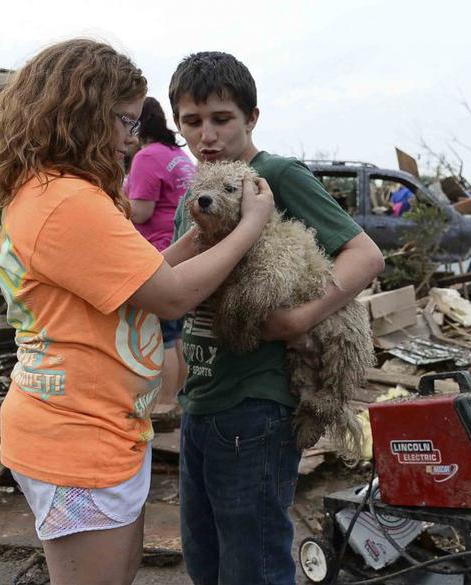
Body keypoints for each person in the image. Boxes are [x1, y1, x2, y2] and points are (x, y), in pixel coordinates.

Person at [0, 39, 274, 585]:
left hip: (94, 425)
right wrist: (250, 225)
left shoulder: (53, 192)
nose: (132, 140)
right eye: (126, 122)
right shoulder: (68, 203)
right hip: (77, 436)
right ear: (84, 114)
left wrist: (200, 240)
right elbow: (172, 297)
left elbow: (142, 275)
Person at [168, 51, 385, 585]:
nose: (207, 135)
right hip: (203, 399)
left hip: (256, 406)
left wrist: (299, 319)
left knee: (253, 563)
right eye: (192, 122)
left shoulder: (274, 177)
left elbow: (364, 255)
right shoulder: (196, 196)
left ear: (252, 118)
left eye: (222, 119)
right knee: (205, 560)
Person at [125, 96, 196, 406]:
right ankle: (178, 397)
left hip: (159, 252)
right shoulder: (177, 154)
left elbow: (140, 212)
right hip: (187, 249)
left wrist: (107, 203)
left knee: (164, 335)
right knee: (179, 334)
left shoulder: (146, 157)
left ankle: (165, 402)